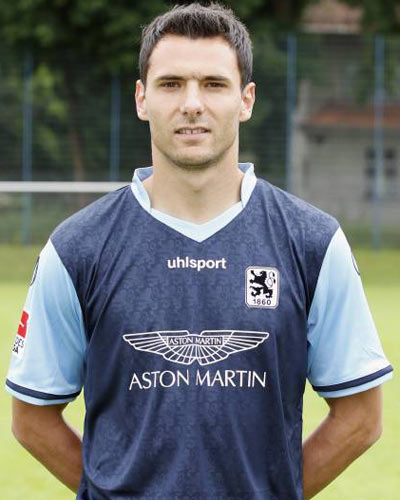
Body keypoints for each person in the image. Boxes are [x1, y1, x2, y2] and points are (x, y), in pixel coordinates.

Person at [6, 3, 393, 499]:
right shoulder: (78, 248)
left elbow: (361, 418)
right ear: (142, 99)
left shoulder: (313, 242)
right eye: (171, 84)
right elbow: (31, 419)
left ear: (246, 100)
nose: (192, 104)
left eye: (213, 84)